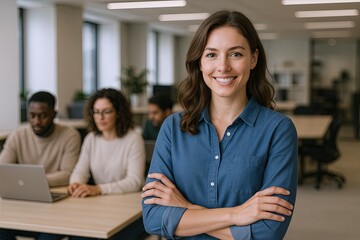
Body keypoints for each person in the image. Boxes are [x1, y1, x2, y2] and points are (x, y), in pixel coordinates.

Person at [141, 10, 298, 240]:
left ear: (253, 58)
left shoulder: (278, 130)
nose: (223, 67)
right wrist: (237, 215)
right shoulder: (173, 128)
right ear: (200, 62)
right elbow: (153, 218)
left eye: (235, 54)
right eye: (211, 55)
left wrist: (184, 207)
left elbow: (267, 233)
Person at [0, 91, 81, 240]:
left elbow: (67, 173)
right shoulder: (17, 135)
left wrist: (33, 182)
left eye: (43, 116)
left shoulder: (70, 135)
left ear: (54, 114)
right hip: (24, 204)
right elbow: (2, 170)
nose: (36, 121)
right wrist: (33, 184)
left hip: (56, 207)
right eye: (32, 115)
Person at [67, 88, 146, 240]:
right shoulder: (91, 138)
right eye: (96, 112)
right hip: (99, 206)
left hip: (127, 210)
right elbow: (80, 171)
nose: (100, 117)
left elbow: (135, 182)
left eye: (106, 112)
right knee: (78, 235)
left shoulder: (133, 139)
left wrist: (98, 189)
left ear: (118, 112)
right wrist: (75, 183)